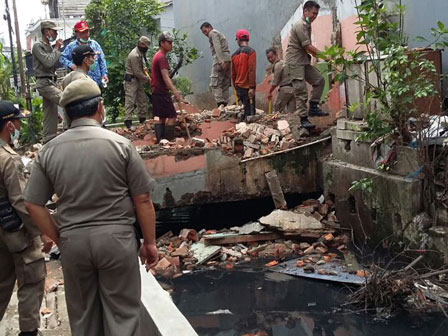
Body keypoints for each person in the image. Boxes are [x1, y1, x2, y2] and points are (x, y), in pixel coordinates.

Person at [23, 78, 159, 336]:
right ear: (100, 108)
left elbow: (32, 203)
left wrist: (58, 236)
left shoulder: (48, 152)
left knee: (84, 317)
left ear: (65, 115)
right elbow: (142, 199)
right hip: (117, 241)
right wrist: (149, 243)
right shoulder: (120, 145)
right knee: (123, 316)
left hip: (74, 243)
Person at [0, 101, 49, 336]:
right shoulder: (8, 159)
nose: (19, 125)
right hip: (15, 232)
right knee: (32, 277)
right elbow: (20, 201)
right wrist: (42, 230)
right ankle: (29, 332)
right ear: (9, 125)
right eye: (17, 121)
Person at [284, 0, 328, 129]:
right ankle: (303, 119)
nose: (315, 16)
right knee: (301, 91)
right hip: (294, 63)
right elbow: (308, 46)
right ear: (305, 11)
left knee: (319, 80)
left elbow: (308, 48)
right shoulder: (299, 25)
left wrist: (317, 55)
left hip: (303, 61)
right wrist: (325, 56)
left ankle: (313, 107)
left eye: (316, 14)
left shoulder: (307, 25)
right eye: (313, 13)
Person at [32, 20, 64, 143]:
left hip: (51, 82)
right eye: (54, 31)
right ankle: (71, 129)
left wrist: (54, 49)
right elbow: (48, 62)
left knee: (50, 115)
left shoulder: (48, 47)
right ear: (46, 32)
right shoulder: (37, 46)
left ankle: (48, 141)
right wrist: (56, 48)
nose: (56, 34)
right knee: (66, 100)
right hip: (44, 83)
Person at [151, 31, 181, 143]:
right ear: (162, 43)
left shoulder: (157, 56)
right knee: (172, 115)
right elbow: (166, 77)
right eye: (169, 42)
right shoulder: (161, 58)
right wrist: (175, 91)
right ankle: (168, 140)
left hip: (156, 91)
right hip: (161, 92)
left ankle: (161, 141)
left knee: (160, 117)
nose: (171, 44)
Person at [60, 21, 108, 88]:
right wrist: (71, 65)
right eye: (83, 33)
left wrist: (104, 74)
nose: (86, 35)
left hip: (96, 81)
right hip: (80, 82)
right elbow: (62, 58)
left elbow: (102, 60)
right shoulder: (71, 46)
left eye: (87, 32)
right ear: (77, 33)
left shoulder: (94, 44)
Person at [200, 22, 232, 107]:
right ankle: (225, 105)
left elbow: (217, 47)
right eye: (203, 32)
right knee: (225, 83)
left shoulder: (212, 33)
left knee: (215, 84)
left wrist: (221, 61)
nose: (205, 33)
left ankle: (220, 104)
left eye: (205, 31)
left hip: (219, 59)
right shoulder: (218, 33)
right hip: (228, 58)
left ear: (209, 27)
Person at [123, 36, 152, 129]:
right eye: (146, 46)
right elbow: (137, 72)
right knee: (130, 101)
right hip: (131, 80)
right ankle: (128, 121)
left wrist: (144, 68)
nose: (146, 48)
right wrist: (147, 80)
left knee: (142, 99)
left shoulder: (140, 53)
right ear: (141, 44)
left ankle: (142, 120)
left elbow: (140, 67)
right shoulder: (134, 55)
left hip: (137, 80)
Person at [231, 29, 257, 121]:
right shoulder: (251, 52)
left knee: (246, 110)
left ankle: (243, 126)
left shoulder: (233, 55)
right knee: (251, 113)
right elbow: (251, 70)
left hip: (239, 87)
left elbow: (233, 74)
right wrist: (252, 87)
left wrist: (236, 87)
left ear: (238, 39)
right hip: (247, 87)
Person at [266, 47, 295, 114]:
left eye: (271, 57)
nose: (270, 59)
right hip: (293, 89)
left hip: (285, 90)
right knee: (291, 114)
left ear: (276, 55)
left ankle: (276, 124)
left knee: (276, 110)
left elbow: (275, 82)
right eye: (268, 58)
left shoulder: (278, 65)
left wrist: (270, 92)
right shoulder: (284, 63)